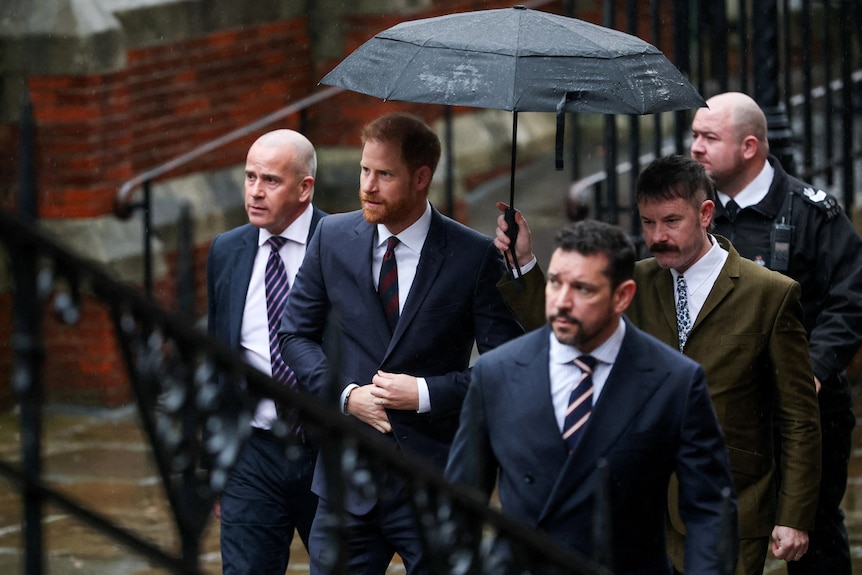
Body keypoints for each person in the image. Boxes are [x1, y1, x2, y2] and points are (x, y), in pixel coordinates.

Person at [493, 155, 822, 575]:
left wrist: (793, 514)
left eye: (670, 221)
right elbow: (566, 332)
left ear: (705, 214)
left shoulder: (770, 295)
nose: (657, 236)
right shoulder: (635, 281)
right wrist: (523, 261)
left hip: (731, 507)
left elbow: (799, 417)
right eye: (648, 223)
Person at [278, 112, 524, 575]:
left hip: (437, 482)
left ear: (421, 178)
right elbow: (294, 335)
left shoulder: (473, 256)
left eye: (384, 174)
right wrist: (347, 396)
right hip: (347, 479)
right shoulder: (331, 237)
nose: (368, 185)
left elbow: (507, 368)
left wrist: (426, 394)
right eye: (364, 170)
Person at [446, 219, 738, 574]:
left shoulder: (673, 380)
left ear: (622, 296)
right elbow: (460, 505)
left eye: (583, 289)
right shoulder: (497, 372)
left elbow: (710, 508)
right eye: (555, 283)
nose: (562, 302)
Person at [691, 91, 862, 575]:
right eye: (694, 136)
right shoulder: (692, 217)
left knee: (813, 537)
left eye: (709, 137)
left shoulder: (813, 213)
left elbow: (851, 300)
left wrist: (813, 371)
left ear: (749, 147)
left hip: (805, 414)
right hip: (724, 409)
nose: (696, 148)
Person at [206, 129, 325, 575]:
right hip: (251, 451)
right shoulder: (226, 250)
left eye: (271, 180)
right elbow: (220, 360)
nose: (255, 191)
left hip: (325, 451)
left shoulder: (343, 244)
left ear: (304, 188)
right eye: (250, 176)